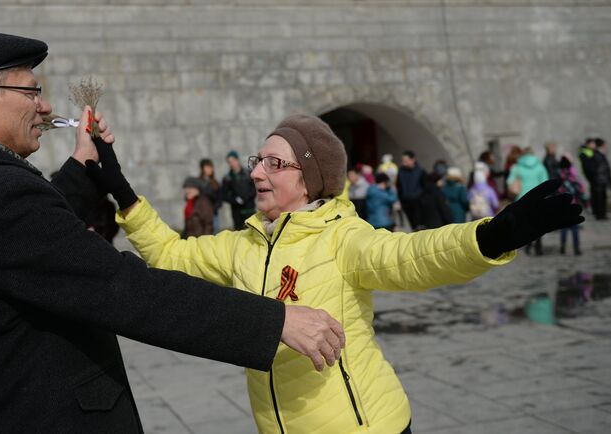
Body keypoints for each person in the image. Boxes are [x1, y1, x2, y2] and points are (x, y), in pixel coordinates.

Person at [0, 32, 344, 433]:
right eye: (31, 91)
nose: (43, 106)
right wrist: (274, 320)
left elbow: (35, 244)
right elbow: (123, 288)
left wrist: (85, 163)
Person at [85, 114, 583, 434]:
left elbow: (413, 255)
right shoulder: (242, 245)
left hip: (364, 427)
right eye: (260, 159)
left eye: (274, 163)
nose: (257, 171)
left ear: (309, 180)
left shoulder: (342, 237)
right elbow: (172, 254)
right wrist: (121, 190)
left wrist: (494, 235)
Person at [507, 147, 549, 255]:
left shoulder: (516, 167)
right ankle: (538, 246)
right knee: (538, 222)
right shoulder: (540, 166)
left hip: (522, 198)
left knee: (525, 222)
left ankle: (528, 245)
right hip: (538, 198)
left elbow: (509, 181)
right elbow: (545, 182)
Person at [557, 156, 588, 255]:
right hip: (574, 203)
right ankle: (576, 248)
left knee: (563, 227)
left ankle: (562, 246)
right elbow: (581, 188)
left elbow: (556, 190)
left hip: (562, 204)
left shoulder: (558, 175)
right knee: (575, 227)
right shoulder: (573, 175)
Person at [221, 150, 256, 229]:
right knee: (240, 233)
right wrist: (235, 199)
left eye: (233, 161)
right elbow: (224, 195)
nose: (231, 163)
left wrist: (246, 197)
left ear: (237, 160)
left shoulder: (248, 173)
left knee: (253, 230)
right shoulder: (227, 178)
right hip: (237, 211)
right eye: (229, 162)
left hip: (249, 208)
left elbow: (254, 189)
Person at [396, 150, 426, 231]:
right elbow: (399, 186)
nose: (403, 163)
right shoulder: (401, 171)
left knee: (420, 226)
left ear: (413, 160)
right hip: (405, 202)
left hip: (418, 202)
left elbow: (425, 187)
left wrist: (421, 199)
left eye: (406, 161)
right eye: (403, 161)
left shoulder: (420, 171)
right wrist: (400, 199)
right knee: (412, 225)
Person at [591, 138, 611, 220]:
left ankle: (602, 215)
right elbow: (598, 169)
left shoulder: (600, 154)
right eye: (604, 145)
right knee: (599, 199)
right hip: (599, 181)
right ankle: (600, 215)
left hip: (601, 180)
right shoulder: (596, 155)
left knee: (602, 198)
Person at [198, 158, 222, 231]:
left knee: (215, 235)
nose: (209, 169)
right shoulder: (198, 182)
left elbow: (220, 200)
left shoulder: (216, 183)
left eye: (211, 167)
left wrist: (214, 208)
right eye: (207, 167)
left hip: (213, 214)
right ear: (202, 169)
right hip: (202, 215)